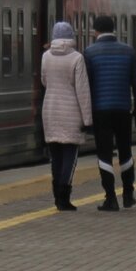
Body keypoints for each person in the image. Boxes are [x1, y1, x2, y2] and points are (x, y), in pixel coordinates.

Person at [83, 14, 136, 212]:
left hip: (100, 111)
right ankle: (128, 194)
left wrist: (86, 115)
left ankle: (111, 198)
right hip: (122, 110)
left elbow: (86, 86)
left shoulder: (89, 53)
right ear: (114, 29)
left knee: (104, 154)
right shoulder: (128, 52)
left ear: (96, 31)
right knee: (126, 152)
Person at [40, 21, 93, 212]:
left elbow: (44, 80)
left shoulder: (46, 56)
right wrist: (87, 120)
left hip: (50, 109)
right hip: (71, 111)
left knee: (55, 157)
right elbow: (83, 91)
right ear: (71, 37)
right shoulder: (77, 58)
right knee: (70, 157)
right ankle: (64, 198)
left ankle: (56, 196)